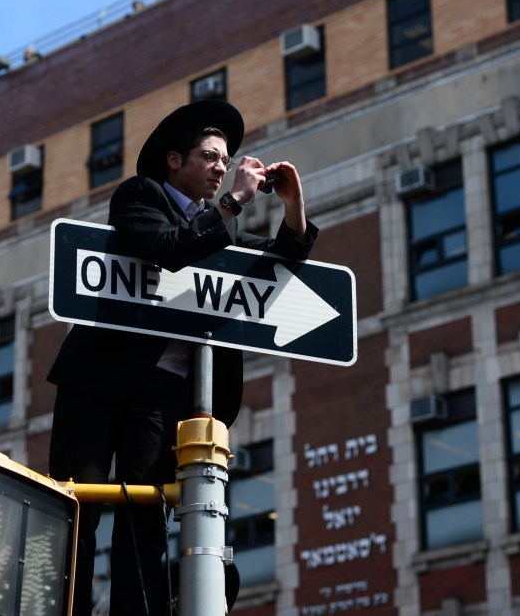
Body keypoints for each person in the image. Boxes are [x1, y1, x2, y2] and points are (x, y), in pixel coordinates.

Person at [47, 99, 317, 615]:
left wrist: (292, 204)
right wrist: (234, 202)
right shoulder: (139, 196)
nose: (224, 167)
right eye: (212, 157)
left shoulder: (225, 228)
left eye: (227, 160)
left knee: (144, 514)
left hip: (162, 397)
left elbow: (283, 264)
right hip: (97, 386)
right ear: (175, 161)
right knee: (77, 503)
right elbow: (170, 249)